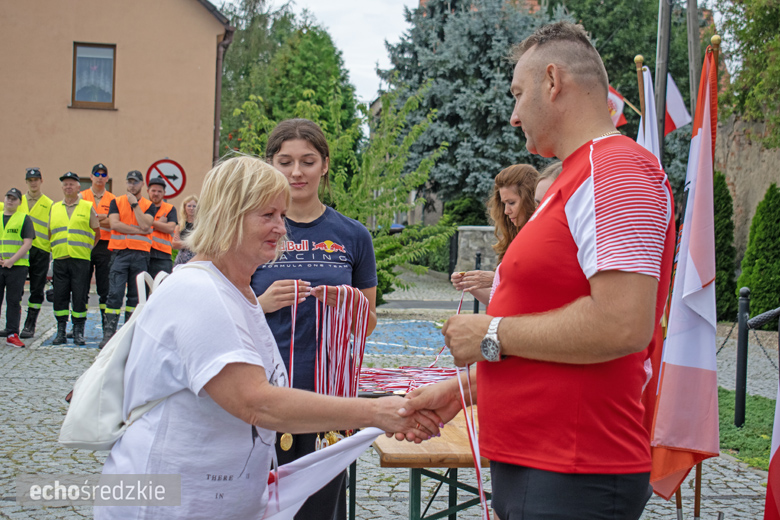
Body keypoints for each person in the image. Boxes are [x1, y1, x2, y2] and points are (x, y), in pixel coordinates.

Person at [397, 21, 676, 520]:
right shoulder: (574, 178)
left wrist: (490, 334)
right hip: (542, 467)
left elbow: (621, 324)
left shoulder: (613, 171)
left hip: (573, 470)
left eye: (519, 94)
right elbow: (554, 340)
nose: (512, 114)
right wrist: (464, 391)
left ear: (553, 81)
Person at [95, 156, 436, 520]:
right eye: (267, 215)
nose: (281, 227)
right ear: (228, 216)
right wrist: (376, 412)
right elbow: (256, 403)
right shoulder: (200, 291)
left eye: (281, 215)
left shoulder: (235, 291)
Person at [250, 119, 378, 520]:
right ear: (270, 165)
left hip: (330, 395)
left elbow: (368, 323)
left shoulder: (353, 236)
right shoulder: (252, 231)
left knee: (322, 507)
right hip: (261, 390)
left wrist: (348, 306)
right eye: (285, 161)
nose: (296, 172)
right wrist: (262, 303)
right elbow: (221, 312)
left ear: (324, 165)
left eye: (307, 161)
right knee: (260, 503)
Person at [450, 164, 538, 305]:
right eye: (504, 204)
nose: (506, 211)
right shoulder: (515, 236)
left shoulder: (543, 238)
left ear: (531, 200)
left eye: (511, 203)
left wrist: (496, 278)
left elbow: (539, 287)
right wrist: (471, 284)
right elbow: (498, 298)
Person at [100, 170, 156, 348]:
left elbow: (147, 223)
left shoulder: (148, 205)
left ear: (142, 185)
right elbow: (114, 224)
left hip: (140, 255)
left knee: (135, 296)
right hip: (120, 253)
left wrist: (135, 206)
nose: (132, 185)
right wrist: (139, 230)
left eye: (136, 182)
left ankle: (130, 334)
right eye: (129, 182)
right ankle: (109, 334)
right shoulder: (116, 202)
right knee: (115, 294)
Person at [49, 172, 100, 345]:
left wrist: (86, 249)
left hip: (81, 259)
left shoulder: (87, 206)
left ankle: (78, 331)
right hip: (60, 258)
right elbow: (51, 233)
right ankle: (61, 331)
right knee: (60, 296)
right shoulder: (54, 207)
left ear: (79, 187)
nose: (68, 187)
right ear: (62, 188)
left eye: (71, 184)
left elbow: (96, 233)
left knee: (79, 296)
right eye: (65, 184)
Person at [13, 168, 53, 339]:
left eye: (36, 179)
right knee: (16, 289)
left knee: (36, 289)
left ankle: (30, 324)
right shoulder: (18, 201)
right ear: (26, 182)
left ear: (41, 181)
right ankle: (13, 325)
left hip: (41, 250)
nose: (33, 182)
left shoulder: (49, 203)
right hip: (20, 250)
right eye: (30, 180)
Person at [81, 163, 116, 330]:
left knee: (104, 287)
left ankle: (105, 324)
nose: (100, 177)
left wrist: (94, 217)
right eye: (97, 174)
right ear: (91, 176)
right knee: (82, 286)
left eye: (103, 174)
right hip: (85, 243)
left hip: (105, 245)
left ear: (107, 178)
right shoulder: (82, 196)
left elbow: (113, 223)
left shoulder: (112, 199)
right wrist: (103, 217)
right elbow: (80, 221)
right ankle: (78, 326)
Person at [0, 188, 34, 347]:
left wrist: (11, 261)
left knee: (13, 301)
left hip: (17, 266)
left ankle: (12, 333)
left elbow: (27, 243)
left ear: (19, 202)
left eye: (14, 199)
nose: (10, 201)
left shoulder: (23, 219)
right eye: (8, 197)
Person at [146, 177, 177, 278]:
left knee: (162, 289)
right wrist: (160, 223)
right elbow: (138, 227)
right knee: (142, 290)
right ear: (148, 191)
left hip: (163, 256)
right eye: (153, 190)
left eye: (159, 191)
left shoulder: (170, 209)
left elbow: (170, 228)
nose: (156, 193)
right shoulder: (142, 207)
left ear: (164, 193)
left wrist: (149, 223)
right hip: (143, 254)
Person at [172, 194, 197, 266]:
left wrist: (182, 243)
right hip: (182, 259)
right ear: (184, 207)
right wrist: (191, 243)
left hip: (196, 258)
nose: (191, 208)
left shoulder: (200, 226)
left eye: (194, 206)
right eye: (189, 206)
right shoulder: (180, 226)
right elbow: (174, 244)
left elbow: (200, 243)